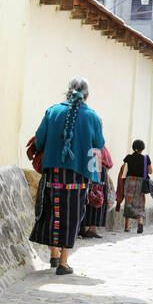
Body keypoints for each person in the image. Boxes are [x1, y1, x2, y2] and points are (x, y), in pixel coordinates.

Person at [29, 77, 105, 274]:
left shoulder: (53, 111)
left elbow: (39, 139)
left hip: (53, 173)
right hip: (78, 176)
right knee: (72, 216)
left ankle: (53, 254)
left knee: (51, 212)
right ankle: (63, 262)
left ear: (68, 92)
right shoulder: (93, 117)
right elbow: (99, 143)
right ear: (87, 95)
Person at [115, 139, 153, 234]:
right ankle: (140, 223)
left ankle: (127, 227)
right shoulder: (146, 158)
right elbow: (150, 171)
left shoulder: (128, 157)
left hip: (129, 182)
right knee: (140, 203)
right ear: (143, 148)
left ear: (133, 147)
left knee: (128, 202)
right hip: (140, 183)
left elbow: (123, 169)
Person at [80, 146, 112, 239]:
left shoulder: (86, 143)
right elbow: (107, 162)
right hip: (98, 171)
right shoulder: (99, 147)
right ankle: (92, 228)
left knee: (87, 197)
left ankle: (82, 227)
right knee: (97, 198)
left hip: (87, 171)